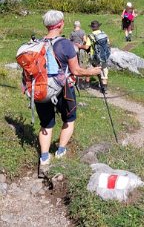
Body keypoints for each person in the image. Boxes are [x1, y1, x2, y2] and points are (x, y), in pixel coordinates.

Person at [36, 10, 101, 177]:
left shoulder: (37, 43)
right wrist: (93, 71)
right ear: (61, 24)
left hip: (41, 89)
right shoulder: (65, 44)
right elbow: (76, 71)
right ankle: (60, 151)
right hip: (63, 90)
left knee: (46, 124)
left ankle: (44, 157)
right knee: (69, 119)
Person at [83, 21, 110, 91]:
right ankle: (104, 87)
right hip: (104, 55)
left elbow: (86, 47)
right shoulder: (104, 34)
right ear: (98, 27)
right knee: (104, 70)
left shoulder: (91, 35)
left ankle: (87, 84)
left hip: (94, 56)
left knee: (89, 68)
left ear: (92, 28)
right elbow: (108, 43)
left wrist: (80, 45)